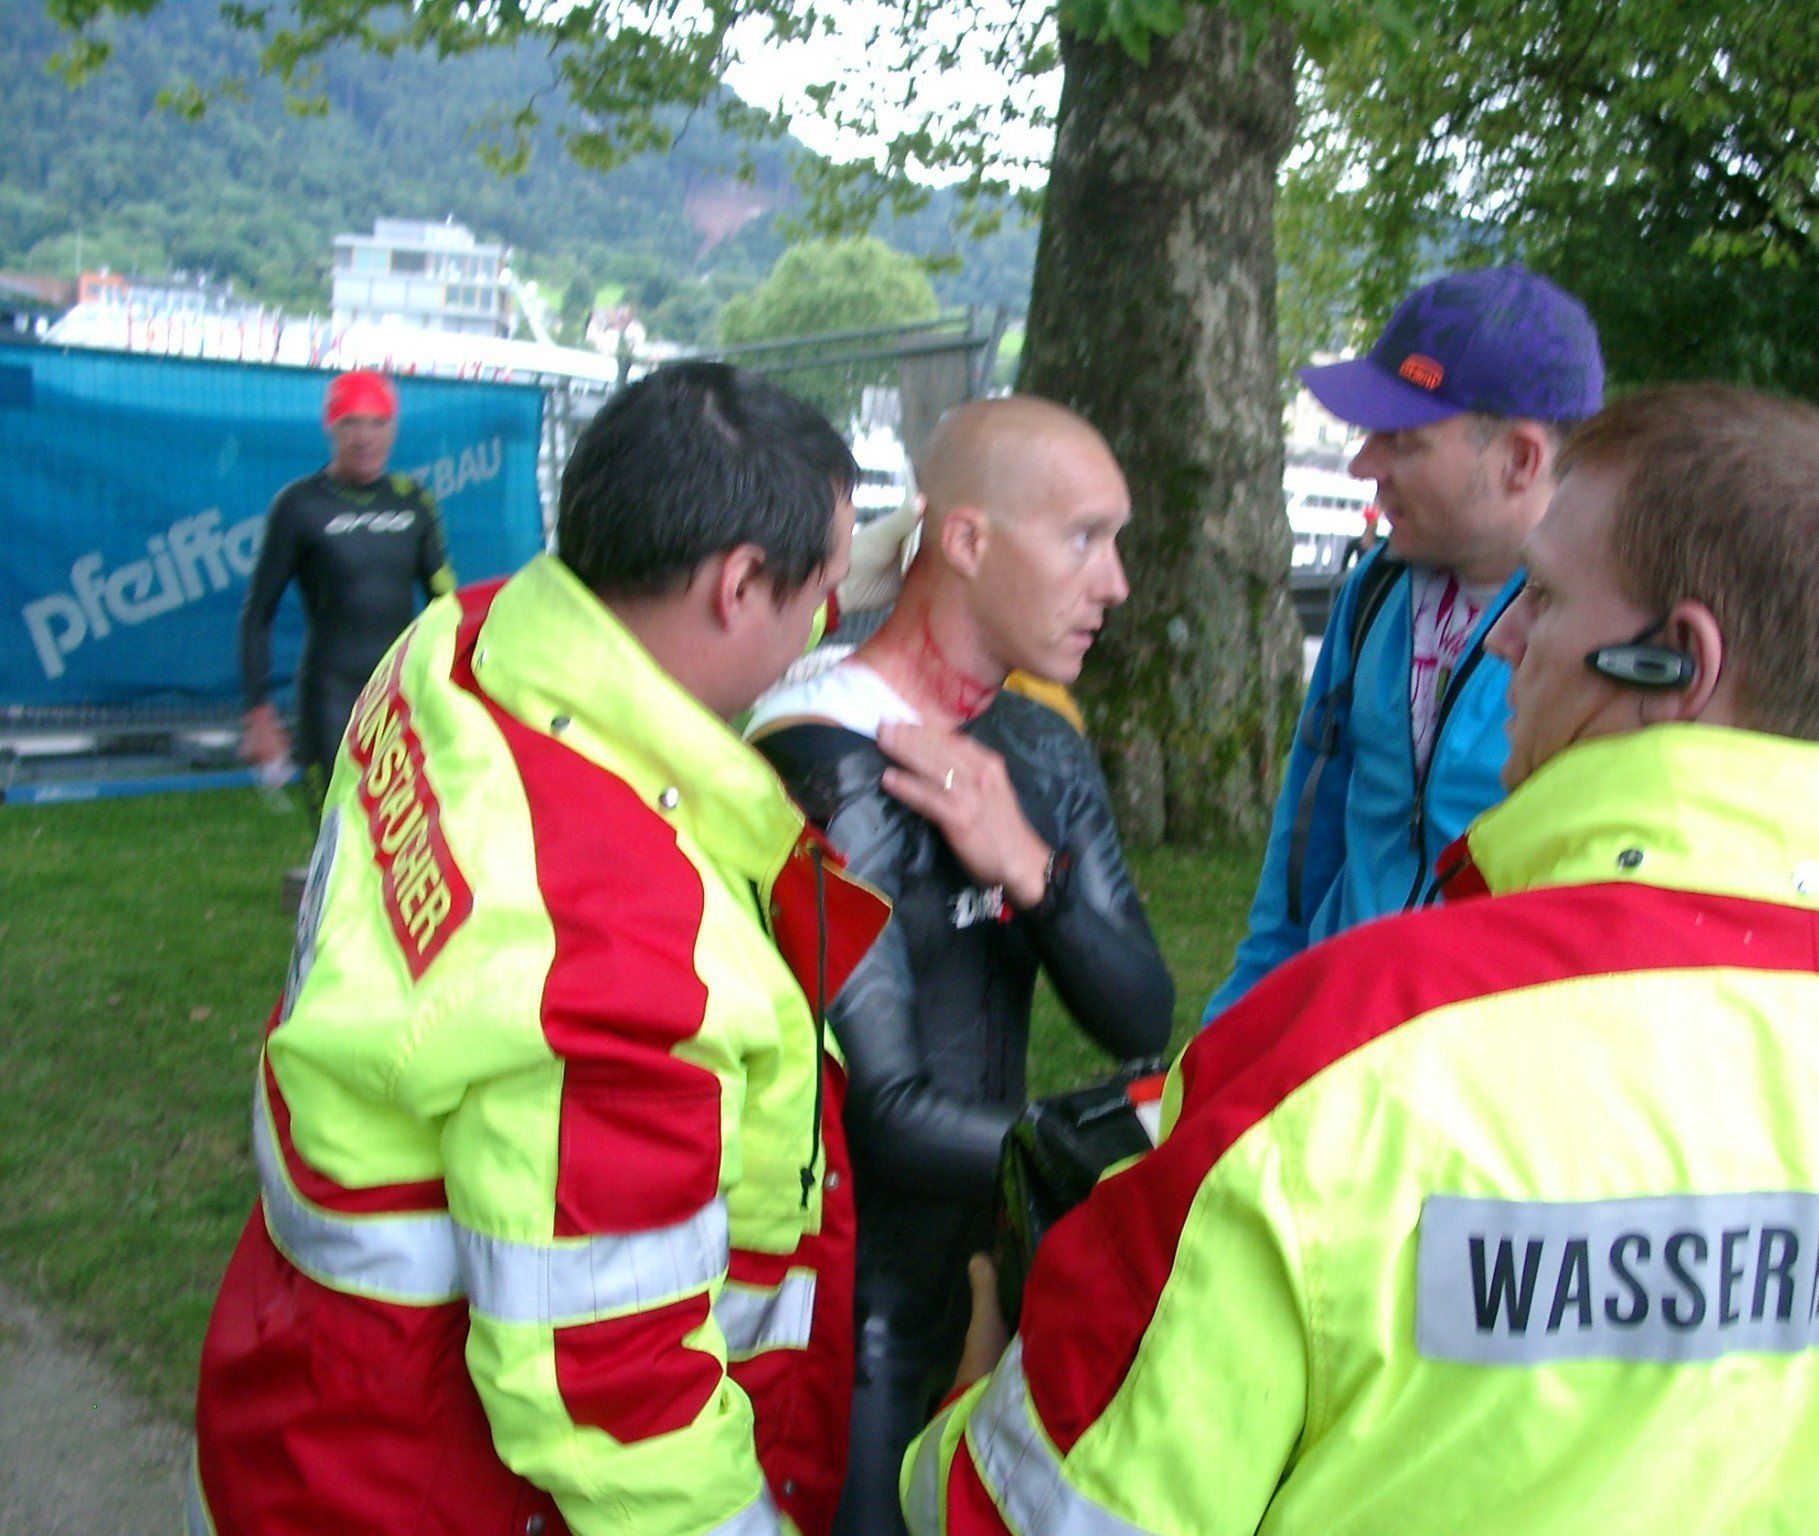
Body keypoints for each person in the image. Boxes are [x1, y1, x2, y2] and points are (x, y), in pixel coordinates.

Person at [904, 384, 1819, 1535]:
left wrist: (972, 1381)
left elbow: (1032, 1513)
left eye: (1541, 598)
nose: (1501, 638)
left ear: (1675, 663)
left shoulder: (1347, 1054)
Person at [192, 362, 890, 1536]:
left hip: (303, 1390)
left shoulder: (455, 646)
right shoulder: (617, 963)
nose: (827, 623)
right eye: (818, 591)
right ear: (735, 588)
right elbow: (613, 1393)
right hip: (429, 1492)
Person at [747, 395, 1174, 1536]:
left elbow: (1138, 1008)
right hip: (850, 1316)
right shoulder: (829, 752)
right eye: (1084, 538)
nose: (1115, 583)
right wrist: (1136, 1161)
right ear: (970, 541)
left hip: (979, 1287)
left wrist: (1028, 871)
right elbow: (880, 1117)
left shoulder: (1032, 742)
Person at [1206, 263, 1603, 1020]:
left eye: (1404, 442)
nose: (1364, 467)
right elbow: (1304, 845)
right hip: (1332, 1032)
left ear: (1521, 460)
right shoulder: (1376, 590)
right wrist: (1239, 1026)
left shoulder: (1606, 642)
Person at [239, 369, 454, 805]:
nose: (364, 437)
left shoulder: (412, 501)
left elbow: (444, 604)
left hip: (400, 692)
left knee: (402, 841)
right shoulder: (299, 506)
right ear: (330, 429)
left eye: (377, 423)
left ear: (393, 431)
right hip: (330, 697)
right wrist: (259, 713)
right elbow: (257, 614)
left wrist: (456, 683)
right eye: (351, 423)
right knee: (335, 839)